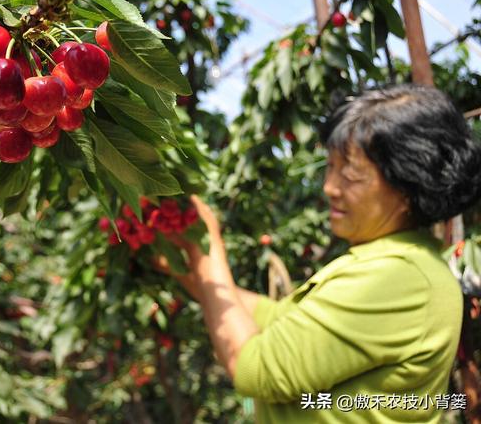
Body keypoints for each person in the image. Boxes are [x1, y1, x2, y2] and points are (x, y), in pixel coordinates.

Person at [154, 84, 481, 423]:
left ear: (407, 187)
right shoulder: (399, 262)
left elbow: (255, 369)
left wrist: (209, 251)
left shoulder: (398, 278)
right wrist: (192, 273)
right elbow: (275, 316)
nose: (330, 187)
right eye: (331, 166)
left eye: (351, 173)